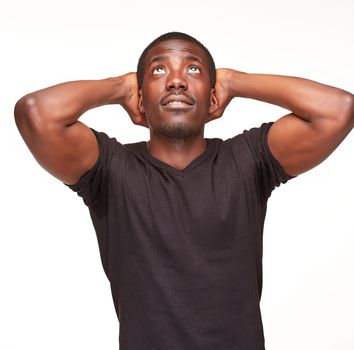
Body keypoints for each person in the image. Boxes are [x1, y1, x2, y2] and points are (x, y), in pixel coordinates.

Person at [14, 31, 353, 350]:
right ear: (141, 96)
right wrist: (119, 87)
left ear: (212, 94)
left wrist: (234, 81)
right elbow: (37, 113)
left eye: (193, 68)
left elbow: (337, 109)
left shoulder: (249, 159)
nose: (176, 80)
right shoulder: (111, 170)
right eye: (158, 69)